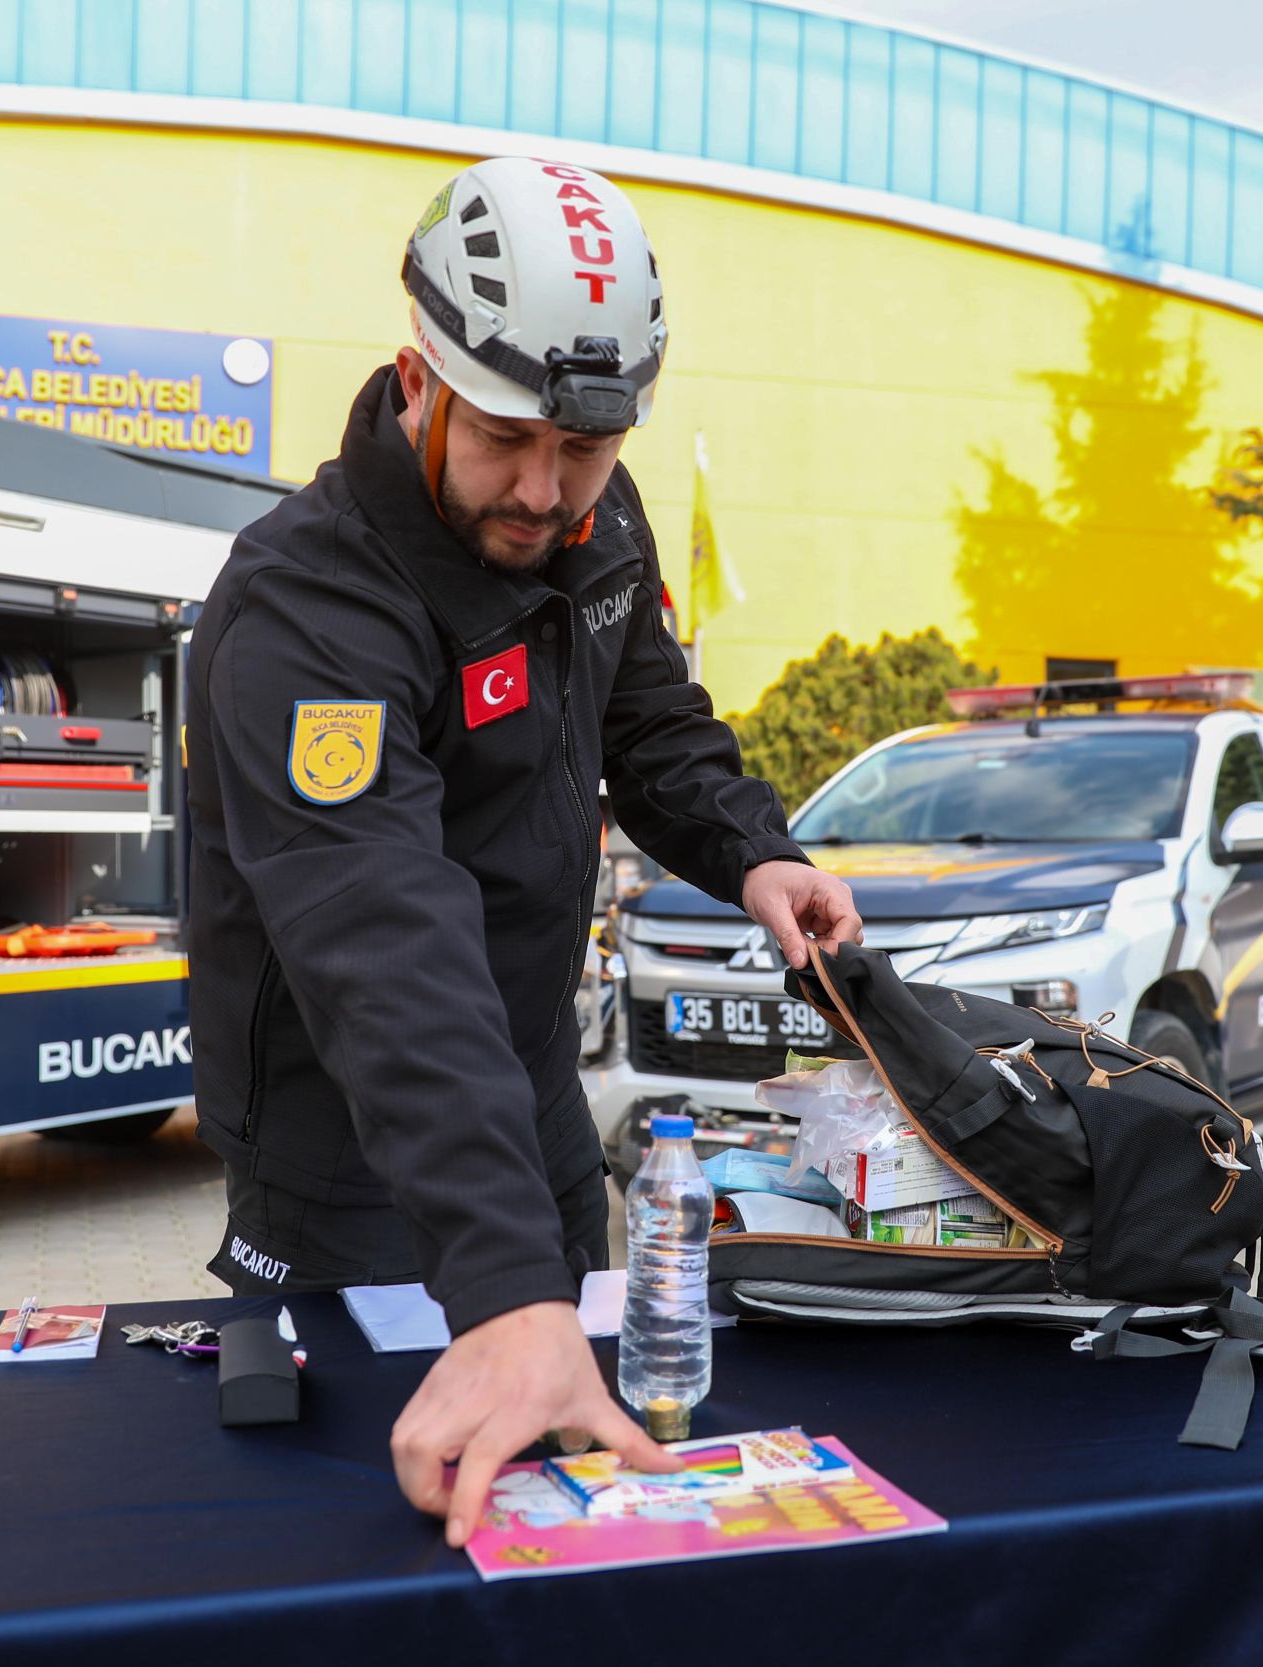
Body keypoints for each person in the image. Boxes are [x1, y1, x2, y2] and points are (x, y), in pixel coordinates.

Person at [183, 156, 862, 1546]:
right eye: (506, 438)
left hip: (539, 1104)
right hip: (356, 1146)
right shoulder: (306, 605)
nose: (546, 493)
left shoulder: (597, 524)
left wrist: (754, 856)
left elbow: (654, 721)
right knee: (369, 1542)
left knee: (583, 1486)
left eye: (587, 448)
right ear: (418, 376)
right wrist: (500, 1288)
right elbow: (381, 939)